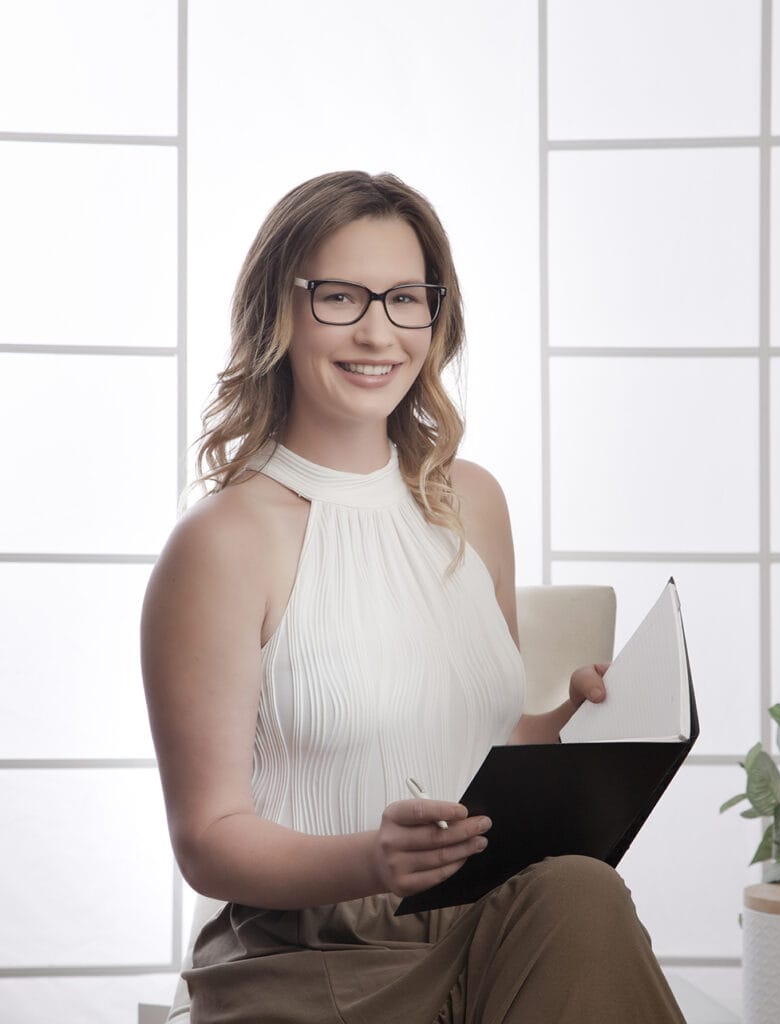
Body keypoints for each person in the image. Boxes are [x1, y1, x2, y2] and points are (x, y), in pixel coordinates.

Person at [141, 170, 685, 1023]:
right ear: (279, 313)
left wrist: (562, 736)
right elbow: (206, 840)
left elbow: (479, 742)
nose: (377, 332)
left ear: (437, 316)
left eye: (405, 299)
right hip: (309, 956)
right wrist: (371, 861)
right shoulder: (223, 543)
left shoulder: (473, 501)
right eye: (340, 298)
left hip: (487, 921)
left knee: (582, 892)